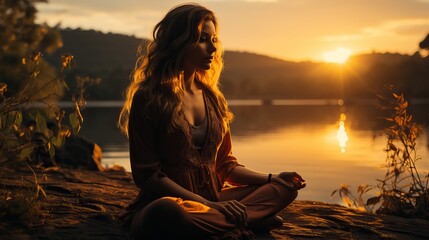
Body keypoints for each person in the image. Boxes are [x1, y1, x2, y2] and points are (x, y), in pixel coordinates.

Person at [118, 3, 306, 240]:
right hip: (174, 205)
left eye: (214, 39)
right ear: (179, 42)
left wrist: (272, 177)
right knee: (165, 213)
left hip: (215, 199)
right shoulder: (149, 97)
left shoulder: (213, 98)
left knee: (284, 188)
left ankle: (236, 219)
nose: (213, 48)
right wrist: (207, 204)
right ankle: (248, 219)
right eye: (202, 39)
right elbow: (148, 177)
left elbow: (226, 166)